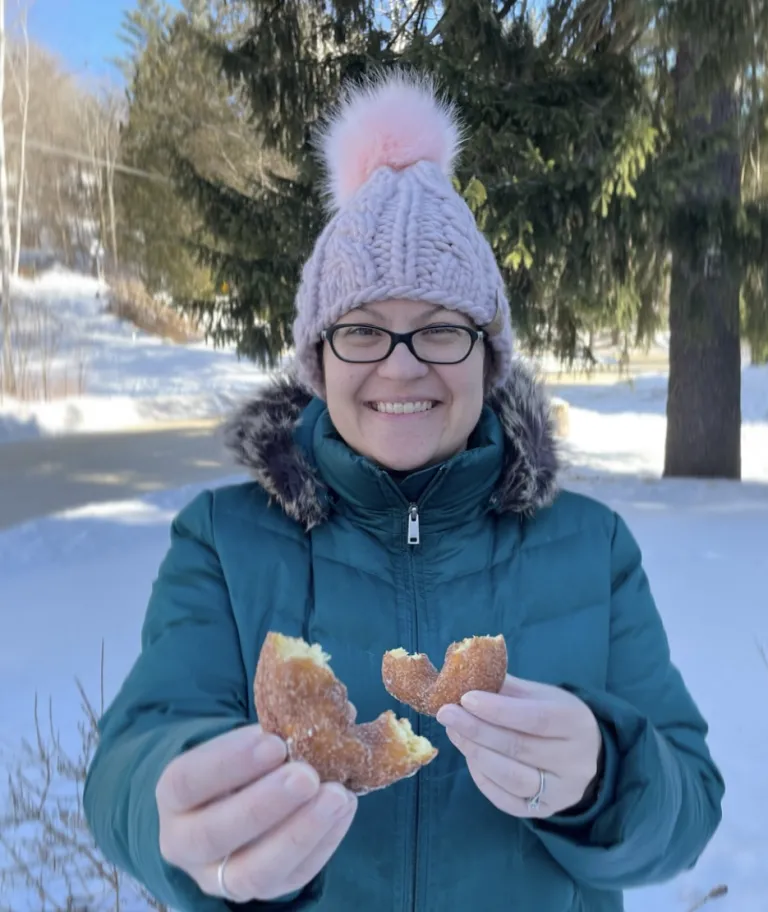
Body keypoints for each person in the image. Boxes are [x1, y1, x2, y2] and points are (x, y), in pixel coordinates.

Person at [83, 70, 724, 912]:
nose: (401, 362)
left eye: (441, 328)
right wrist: (180, 808)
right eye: (362, 330)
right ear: (318, 358)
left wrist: (608, 774)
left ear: (489, 356)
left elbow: (690, 802)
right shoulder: (221, 540)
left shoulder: (592, 547)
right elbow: (135, 758)